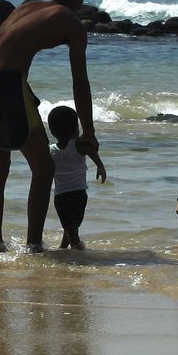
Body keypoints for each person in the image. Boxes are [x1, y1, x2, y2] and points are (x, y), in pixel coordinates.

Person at [0, 0, 98, 252]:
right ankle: (33, 246)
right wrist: (89, 131)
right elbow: (80, 82)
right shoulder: (71, 21)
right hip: (8, 84)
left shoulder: (26, 6)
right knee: (43, 168)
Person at [46, 105, 106, 250]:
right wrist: (100, 165)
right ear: (76, 128)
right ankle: (77, 249)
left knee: (70, 225)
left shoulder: (50, 150)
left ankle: (63, 248)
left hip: (61, 196)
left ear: (52, 131)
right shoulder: (77, 145)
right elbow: (91, 150)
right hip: (80, 194)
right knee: (73, 226)